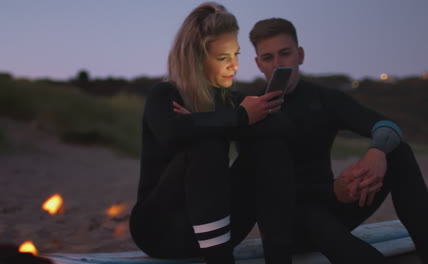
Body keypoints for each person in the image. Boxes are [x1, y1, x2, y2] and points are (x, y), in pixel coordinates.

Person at [248, 17, 428, 264]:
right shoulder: (252, 110)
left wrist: (376, 153)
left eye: (285, 53)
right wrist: (330, 190)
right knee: (310, 216)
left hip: (335, 203)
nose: (279, 64)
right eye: (268, 58)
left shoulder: (325, 98)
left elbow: (388, 126)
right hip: (289, 222)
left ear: (300, 55)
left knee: (398, 152)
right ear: (258, 64)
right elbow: (261, 188)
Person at [130, 3, 296, 264]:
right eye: (223, 58)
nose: (234, 66)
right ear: (197, 59)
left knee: (269, 147)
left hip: (217, 228)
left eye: (236, 55)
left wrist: (207, 120)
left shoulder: (227, 100)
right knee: (205, 143)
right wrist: (237, 118)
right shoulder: (164, 94)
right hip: (160, 230)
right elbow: (170, 132)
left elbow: (282, 127)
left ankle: (279, 258)